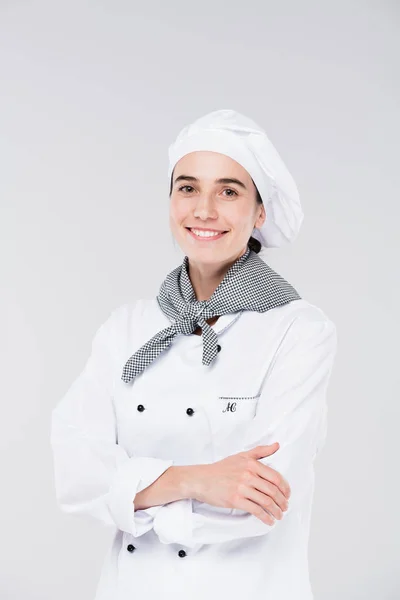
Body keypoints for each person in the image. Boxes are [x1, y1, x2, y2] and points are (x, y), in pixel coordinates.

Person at [50, 108, 338, 600]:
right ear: (170, 200)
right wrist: (198, 481)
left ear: (260, 213)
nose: (204, 210)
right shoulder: (127, 327)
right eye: (187, 188)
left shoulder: (298, 330)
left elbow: (261, 503)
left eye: (229, 191)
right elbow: (75, 474)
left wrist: (130, 493)